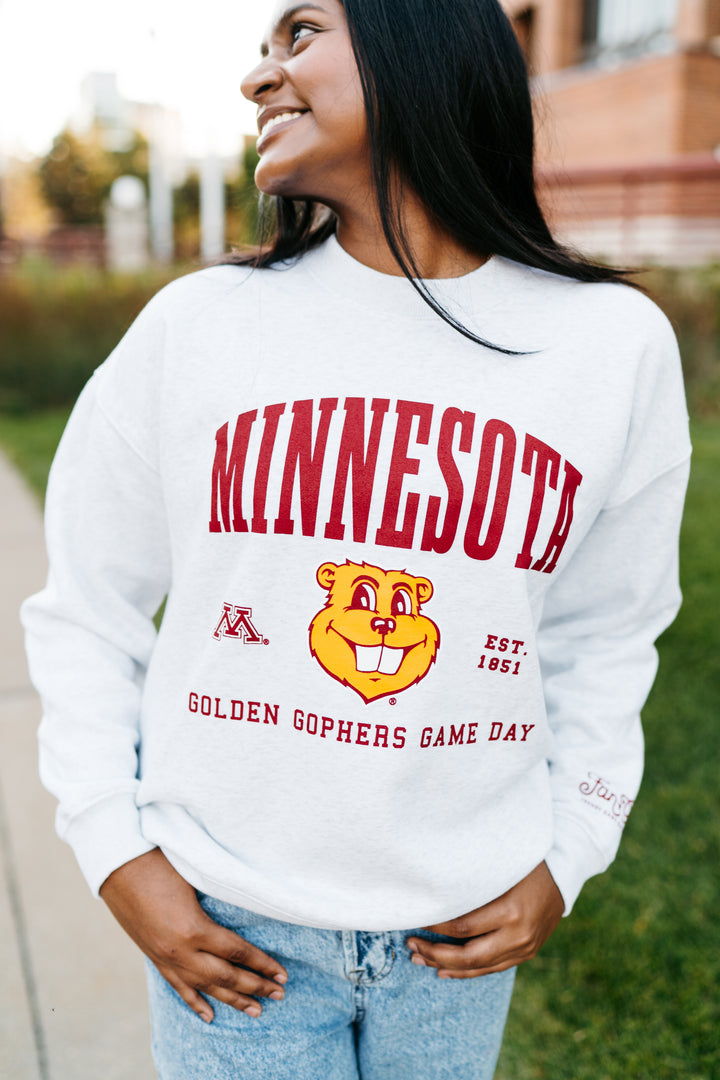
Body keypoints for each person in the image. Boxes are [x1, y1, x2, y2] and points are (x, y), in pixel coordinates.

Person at [22, 1, 691, 1077]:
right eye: (262, 49)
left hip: (460, 932)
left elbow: (608, 635)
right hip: (232, 924)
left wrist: (569, 853)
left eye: (298, 35)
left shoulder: (608, 349)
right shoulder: (199, 329)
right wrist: (115, 851)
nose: (258, 78)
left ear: (418, 39)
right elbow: (86, 608)